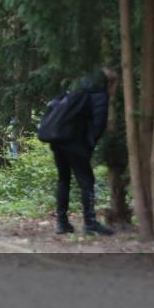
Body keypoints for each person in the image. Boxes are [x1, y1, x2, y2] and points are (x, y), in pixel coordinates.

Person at [50, 67, 118, 236]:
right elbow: (99, 124)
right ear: (108, 83)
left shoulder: (75, 90)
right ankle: (90, 223)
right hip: (76, 143)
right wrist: (89, 144)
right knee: (87, 181)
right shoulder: (99, 95)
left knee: (63, 180)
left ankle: (62, 222)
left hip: (58, 140)